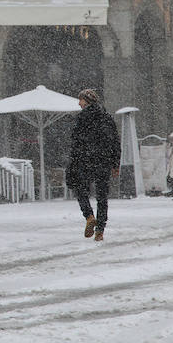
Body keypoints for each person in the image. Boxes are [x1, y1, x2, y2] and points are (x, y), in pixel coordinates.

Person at [66, 89, 120, 242]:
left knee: (80, 189)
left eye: (81, 100)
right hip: (103, 161)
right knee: (102, 197)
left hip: (84, 160)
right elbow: (115, 142)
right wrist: (115, 163)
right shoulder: (107, 118)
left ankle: (89, 216)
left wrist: (74, 160)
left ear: (87, 101)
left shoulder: (81, 118)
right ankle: (100, 230)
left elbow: (75, 141)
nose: (79, 103)